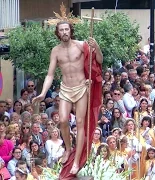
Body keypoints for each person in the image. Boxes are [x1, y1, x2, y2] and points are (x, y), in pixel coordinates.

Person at [32, 21, 103, 175]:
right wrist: (43, 93)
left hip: (81, 88)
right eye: (61, 30)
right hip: (65, 89)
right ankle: (69, 148)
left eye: (67, 29)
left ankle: (77, 161)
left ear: (70, 31)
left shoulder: (81, 45)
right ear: (58, 33)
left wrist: (96, 47)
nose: (64, 32)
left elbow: (99, 61)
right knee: (63, 120)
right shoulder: (56, 51)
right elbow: (50, 74)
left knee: (79, 123)